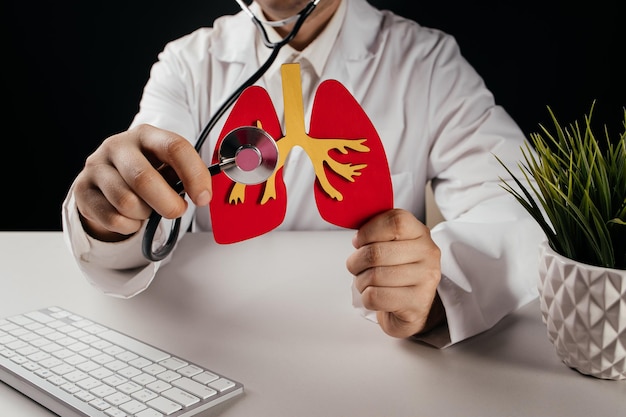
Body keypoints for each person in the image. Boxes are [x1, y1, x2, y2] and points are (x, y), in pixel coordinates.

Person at [62, 0, 544, 348]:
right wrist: (114, 215)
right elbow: (149, 189)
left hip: (372, 358)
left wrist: (438, 291)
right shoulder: (188, 64)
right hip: (212, 341)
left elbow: (523, 208)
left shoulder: (427, 64)